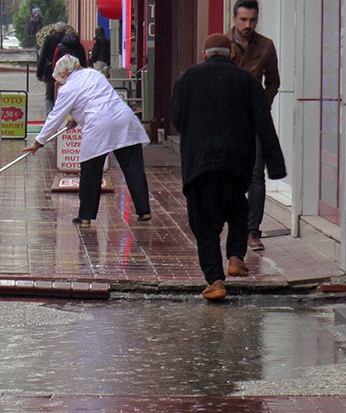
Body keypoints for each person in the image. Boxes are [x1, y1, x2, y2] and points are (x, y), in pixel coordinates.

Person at [170, 33, 286, 300]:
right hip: (235, 163)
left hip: (199, 165)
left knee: (205, 225)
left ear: (204, 55)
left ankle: (215, 281)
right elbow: (263, 124)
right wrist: (275, 165)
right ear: (232, 54)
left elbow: (177, 119)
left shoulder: (186, 79)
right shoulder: (246, 80)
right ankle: (235, 256)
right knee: (237, 210)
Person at [22, 55, 152, 228]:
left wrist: (39, 142)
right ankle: (144, 210)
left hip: (99, 125)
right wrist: (75, 119)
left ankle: (85, 216)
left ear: (64, 73)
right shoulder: (94, 74)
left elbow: (55, 116)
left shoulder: (68, 89)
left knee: (91, 170)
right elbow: (94, 98)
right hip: (123, 119)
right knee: (133, 168)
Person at [225, 0, 280, 251]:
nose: (248, 25)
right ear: (234, 18)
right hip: (226, 119)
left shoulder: (266, 46)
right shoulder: (222, 44)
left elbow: (273, 82)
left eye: (252, 20)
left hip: (254, 119)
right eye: (243, 20)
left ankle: (252, 231)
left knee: (256, 175)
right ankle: (231, 226)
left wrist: (263, 104)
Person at [36, 22, 67, 115]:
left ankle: (50, 116)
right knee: (64, 94)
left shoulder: (49, 39)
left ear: (55, 30)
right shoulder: (69, 39)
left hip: (50, 70)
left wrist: (39, 73)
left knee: (49, 95)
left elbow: (43, 56)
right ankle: (60, 115)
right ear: (65, 30)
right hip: (66, 71)